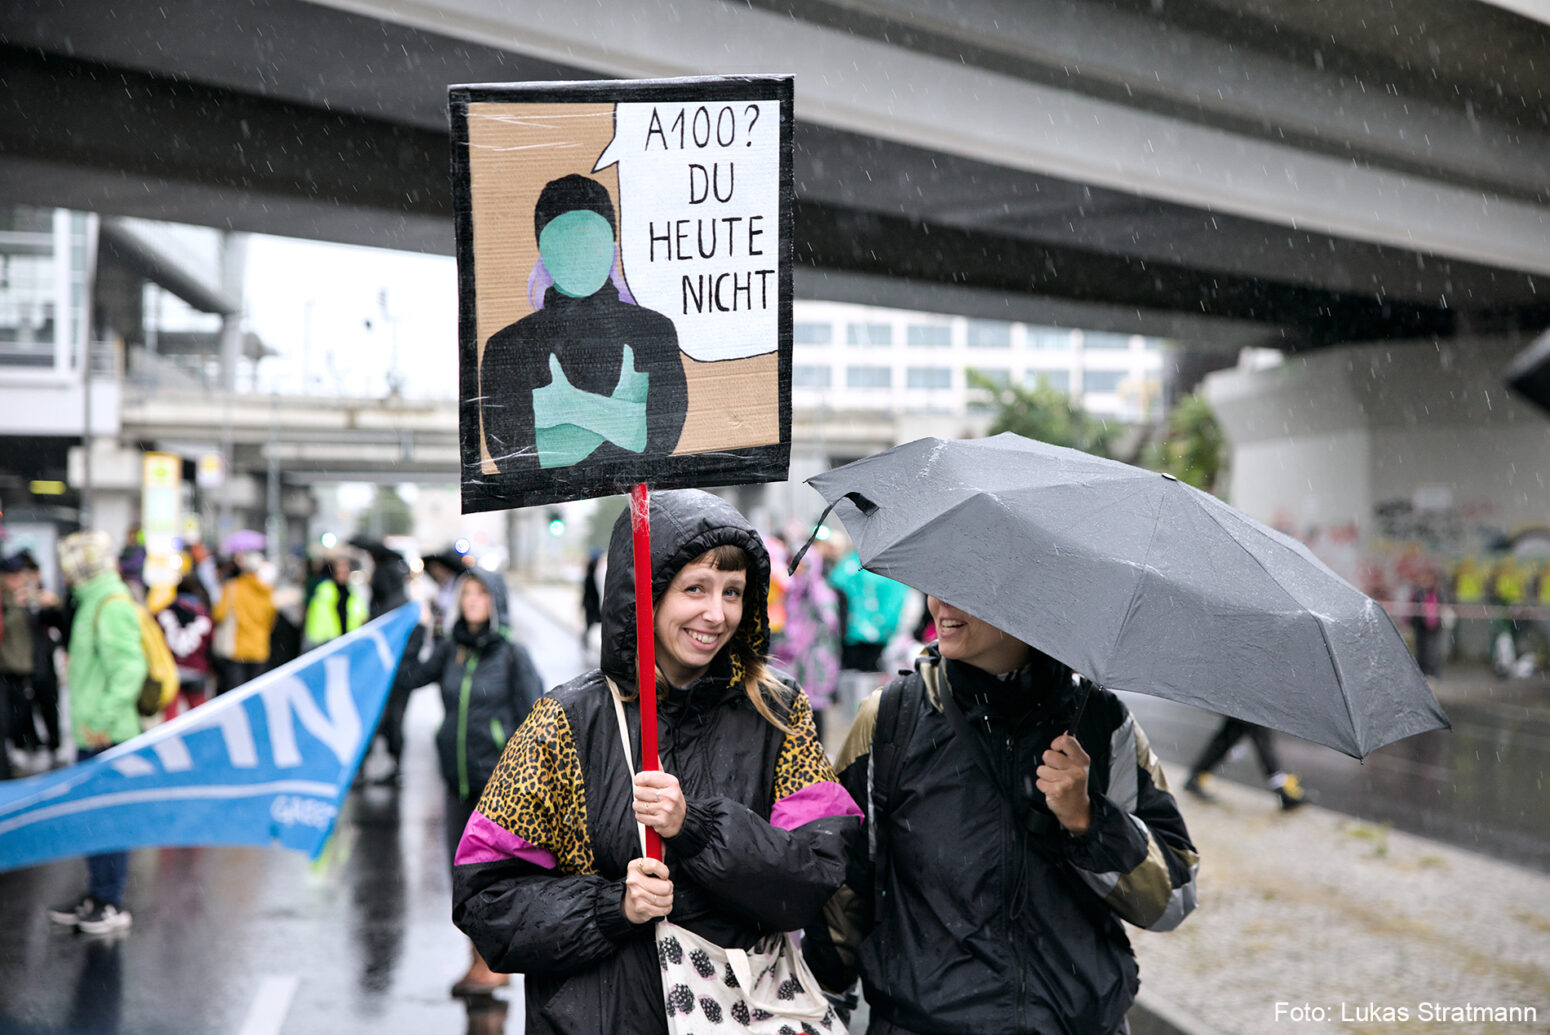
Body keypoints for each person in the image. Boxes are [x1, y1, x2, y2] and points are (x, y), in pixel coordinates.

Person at [450, 489, 859, 1034]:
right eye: (695, 588)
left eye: (733, 592)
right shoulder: (566, 721)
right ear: (646, 595)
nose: (716, 614)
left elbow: (817, 876)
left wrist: (698, 828)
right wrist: (612, 906)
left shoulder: (777, 712)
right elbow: (486, 899)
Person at [804, 596, 1199, 1035]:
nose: (941, 601)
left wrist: (1089, 821)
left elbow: (1171, 899)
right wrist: (822, 1009)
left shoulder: (1101, 724)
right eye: (938, 581)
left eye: (965, 585)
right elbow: (839, 887)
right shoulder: (892, 719)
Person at [395, 568, 544, 996]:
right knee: (462, 878)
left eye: (481, 593)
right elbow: (409, 679)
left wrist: (525, 783)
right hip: (457, 781)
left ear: (495, 601)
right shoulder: (451, 649)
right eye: (467, 593)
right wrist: (413, 636)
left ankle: (493, 963)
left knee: (491, 879)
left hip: (497, 788)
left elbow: (536, 722)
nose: (472, 600)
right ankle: (475, 960)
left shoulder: (512, 654)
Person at [477, 173, 688, 475]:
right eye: (565, 240)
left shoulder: (654, 332)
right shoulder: (508, 347)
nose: (579, 253)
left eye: (590, 238)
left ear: (611, 246)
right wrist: (625, 420)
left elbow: (662, 439)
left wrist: (566, 415)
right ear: (543, 251)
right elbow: (513, 456)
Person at [46, 530, 147, 934]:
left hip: (109, 737)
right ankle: (97, 893)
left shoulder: (110, 603)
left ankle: (111, 902)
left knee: (109, 821)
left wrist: (102, 721)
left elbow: (130, 669)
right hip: (93, 734)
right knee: (90, 821)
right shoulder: (91, 602)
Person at [771, 547, 842, 745]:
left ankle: (818, 749)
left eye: (803, 564)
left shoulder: (821, 592)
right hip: (792, 658)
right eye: (796, 563)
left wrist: (807, 637)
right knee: (793, 704)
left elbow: (831, 623)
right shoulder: (792, 590)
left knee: (815, 706)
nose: (799, 568)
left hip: (814, 659)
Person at [1184, 718, 1308, 810]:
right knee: (1259, 736)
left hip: (1245, 699)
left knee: (1228, 736)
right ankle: (1280, 788)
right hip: (1251, 699)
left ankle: (1195, 776)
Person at [213, 552, 277, 691]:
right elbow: (271, 621)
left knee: (236, 694)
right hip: (259, 648)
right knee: (255, 693)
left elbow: (219, 614)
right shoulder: (266, 591)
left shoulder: (232, 587)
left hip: (237, 649)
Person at [156, 573, 215, 717]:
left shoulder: (163, 613)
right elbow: (210, 642)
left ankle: (169, 739)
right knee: (199, 716)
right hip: (196, 670)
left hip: (172, 670)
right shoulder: (203, 616)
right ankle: (200, 739)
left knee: (170, 715)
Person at [303, 556, 367, 650]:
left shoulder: (353, 592)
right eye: (340, 569)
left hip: (350, 642)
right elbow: (316, 617)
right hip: (328, 643)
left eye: (345, 570)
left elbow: (361, 615)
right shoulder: (325, 590)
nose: (343, 573)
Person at [1408, 567, 1446, 678]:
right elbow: (1412, 607)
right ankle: (1423, 672)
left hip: (1434, 625)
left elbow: (1441, 605)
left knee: (1433, 649)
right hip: (1421, 625)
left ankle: (1433, 672)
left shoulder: (1436, 592)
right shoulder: (1418, 592)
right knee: (1422, 649)